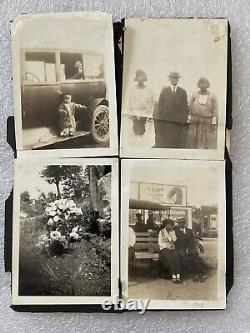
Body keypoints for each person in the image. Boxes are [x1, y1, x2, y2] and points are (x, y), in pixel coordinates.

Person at [156, 72, 189, 148]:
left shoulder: (182, 92)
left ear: (178, 80)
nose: (174, 80)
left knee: (177, 140)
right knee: (167, 139)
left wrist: (183, 120)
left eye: (176, 78)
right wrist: (161, 120)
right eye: (172, 78)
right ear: (169, 79)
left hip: (178, 121)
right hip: (167, 120)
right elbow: (160, 106)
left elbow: (185, 107)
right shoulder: (164, 91)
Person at [125, 69, 155, 147]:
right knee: (133, 137)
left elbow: (152, 103)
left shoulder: (149, 90)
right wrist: (132, 115)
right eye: (138, 76)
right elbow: (128, 104)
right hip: (134, 115)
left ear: (145, 78)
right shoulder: (132, 90)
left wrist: (148, 114)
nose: (140, 78)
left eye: (142, 76)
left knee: (145, 139)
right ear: (136, 78)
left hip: (145, 115)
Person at [187, 77, 218, 149]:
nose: (203, 85)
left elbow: (215, 109)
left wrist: (213, 121)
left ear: (208, 85)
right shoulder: (195, 95)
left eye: (205, 83)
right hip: (196, 120)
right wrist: (189, 119)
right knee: (194, 137)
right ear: (198, 85)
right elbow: (190, 107)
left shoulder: (212, 96)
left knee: (206, 138)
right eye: (201, 83)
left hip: (207, 120)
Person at [175, 217, 208, 282]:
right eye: (179, 223)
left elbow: (191, 241)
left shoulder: (189, 231)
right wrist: (181, 249)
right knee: (183, 256)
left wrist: (188, 248)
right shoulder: (176, 231)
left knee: (195, 254)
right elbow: (176, 242)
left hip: (188, 248)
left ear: (184, 223)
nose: (181, 224)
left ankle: (200, 274)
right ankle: (184, 275)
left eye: (182, 223)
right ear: (178, 224)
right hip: (180, 248)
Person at [158, 219, 182, 283]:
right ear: (165, 225)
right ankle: (173, 275)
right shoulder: (161, 232)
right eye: (167, 225)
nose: (169, 226)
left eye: (170, 225)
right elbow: (160, 242)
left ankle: (178, 275)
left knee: (176, 256)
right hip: (164, 249)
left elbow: (174, 240)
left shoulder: (172, 232)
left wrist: (172, 234)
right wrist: (166, 246)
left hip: (172, 248)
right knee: (170, 257)